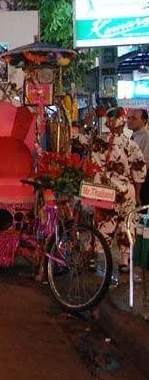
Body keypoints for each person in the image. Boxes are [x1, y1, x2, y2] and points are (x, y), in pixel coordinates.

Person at [81, 107, 147, 273]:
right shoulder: (131, 145)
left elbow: (80, 140)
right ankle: (124, 261)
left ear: (108, 123)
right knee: (127, 225)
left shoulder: (96, 142)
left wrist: (86, 124)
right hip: (126, 193)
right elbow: (139, 174)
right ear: (122, 123)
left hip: (104, 192)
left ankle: (95, 259)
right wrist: (137, 194)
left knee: (103, 224)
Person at [127, 108, 149, 205]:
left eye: (134, 118)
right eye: (128, 118)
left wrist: (137, 192)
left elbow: (144, 164)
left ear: (144, 121)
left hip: (141, 185)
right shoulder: (133, 136)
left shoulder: (146, 137)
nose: (129, 121)